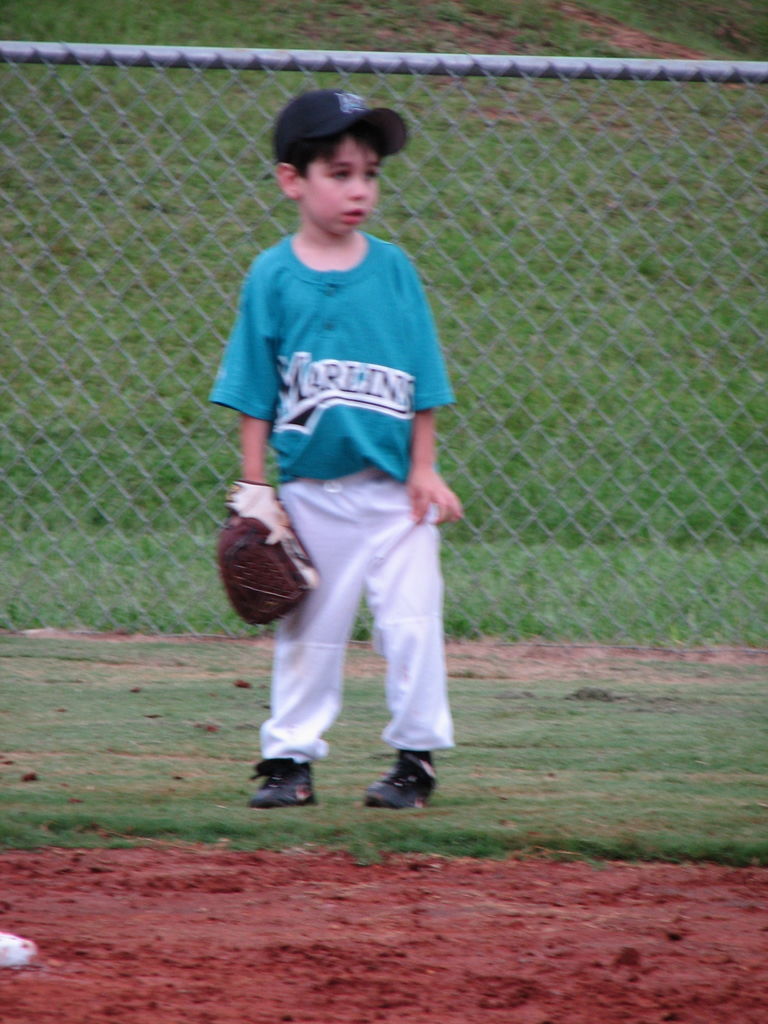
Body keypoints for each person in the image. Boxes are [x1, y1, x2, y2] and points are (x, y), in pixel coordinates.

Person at [210, 89, 462, 810]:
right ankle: (289, 762)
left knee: (412, 626)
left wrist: (424, 465)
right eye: (341, 172)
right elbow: (255, 391)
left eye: (371, 173)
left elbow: (425, 379)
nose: (360, 189)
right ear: (293, 179)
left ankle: (415, 761)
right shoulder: (272, 276)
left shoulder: (393, 270)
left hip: (394, 498)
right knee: (309, 635)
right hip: (311, 497)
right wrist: (256, 492)